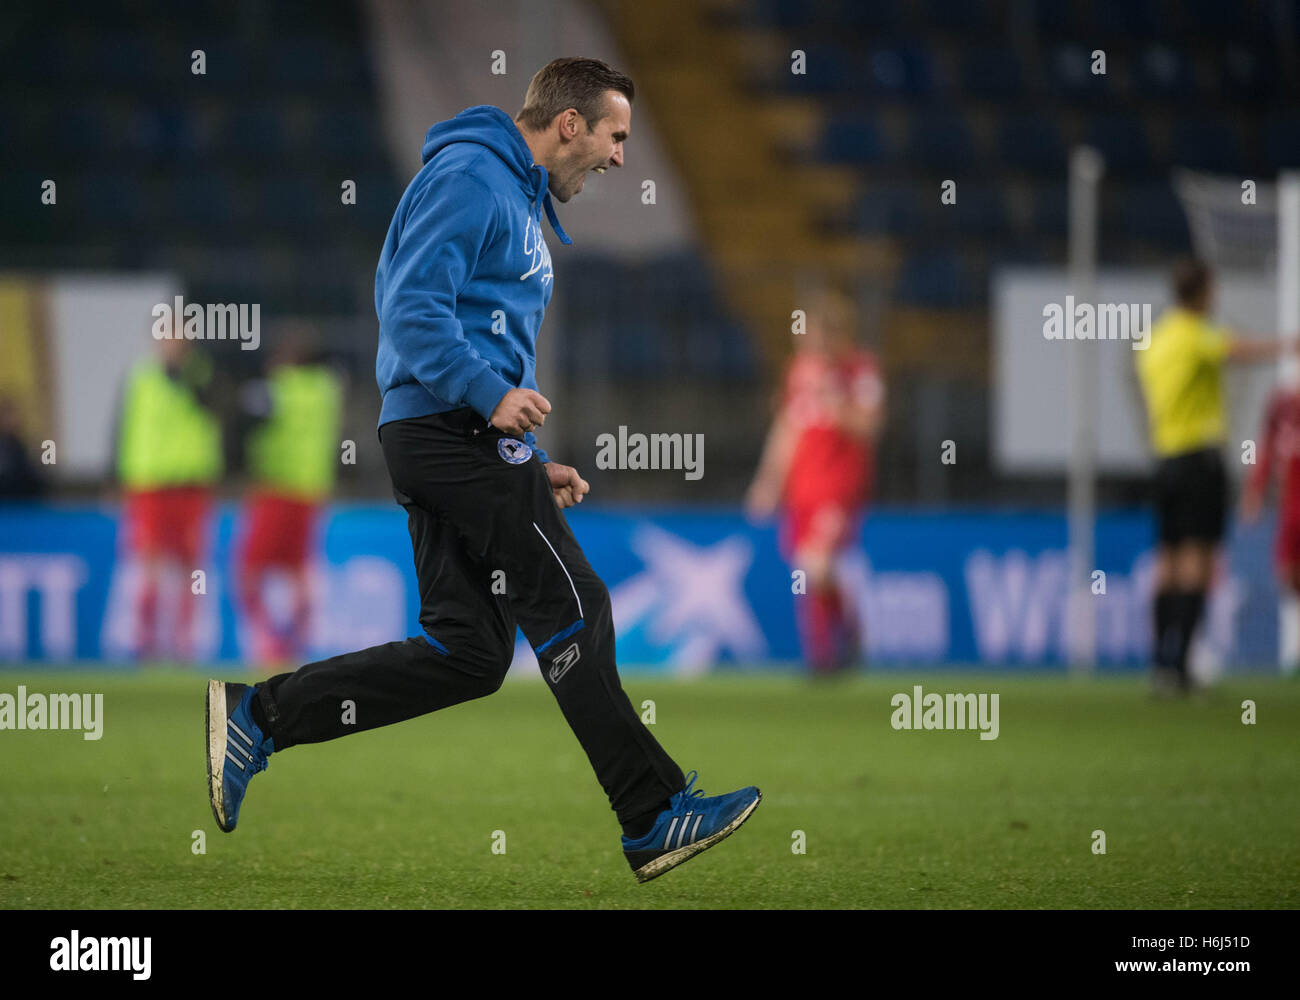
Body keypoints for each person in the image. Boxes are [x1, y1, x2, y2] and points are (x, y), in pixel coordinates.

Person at [205, 57, 760, 883]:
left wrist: (529, 456)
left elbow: (474, 329)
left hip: (456, 434)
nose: (618, 158)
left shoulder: (509, 196)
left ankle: (259, 715)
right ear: (569, 124)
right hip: (446, 431)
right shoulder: (472, 176)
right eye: (615, 136)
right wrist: (489, 397)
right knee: (573, 598)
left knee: (468, 653)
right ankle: (651, 814)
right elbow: (410, 306)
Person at [1135, 258, 1288, 693]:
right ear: (1202, 292)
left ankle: (1160, 663)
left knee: (1167, 559)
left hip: (1165, 458)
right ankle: (1180, 666)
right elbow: (1237, 350)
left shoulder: (1154, 339)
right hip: (1199, 459)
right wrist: (1286, 346)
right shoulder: (1193, 334)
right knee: (1197, 561)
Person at [745, 290, 884, 673]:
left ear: (835, 335)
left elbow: (872, 427)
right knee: (805, 572)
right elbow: (787, 431)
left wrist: (837, 404)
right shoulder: (799, 373)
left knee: (817, 565)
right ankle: (834, 648)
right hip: (802, 487)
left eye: (816, 336)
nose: (809, 345)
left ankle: (831, 654)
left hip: (840, 486)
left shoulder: (861, 371)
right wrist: (768, 482)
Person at [235, 326, 344, 666]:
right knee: (299, 570)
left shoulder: (276, 390)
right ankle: (297, 641)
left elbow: (243, 423)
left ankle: (268, 641)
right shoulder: (327, 391)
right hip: (312, 493)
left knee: (249, 573)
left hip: (275, 489)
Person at [116, 327, 221, 661]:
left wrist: (184, 376)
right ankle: (145, 643)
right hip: (150, 484)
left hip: (190, 485)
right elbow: (123, 425)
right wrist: (117, 474)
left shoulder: (204, 375)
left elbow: (215, 410)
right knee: (149, 562)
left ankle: (183, 645)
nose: (172, 343)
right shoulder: (140, 376)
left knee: (191, 567)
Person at [1241, 383, 1300, 611]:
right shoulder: (1280, 405)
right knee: (1286, 574)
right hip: (1289, 509)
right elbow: (1262, 448)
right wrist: (1254, 489)